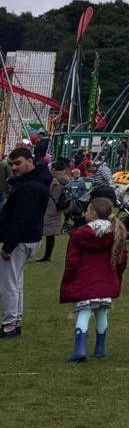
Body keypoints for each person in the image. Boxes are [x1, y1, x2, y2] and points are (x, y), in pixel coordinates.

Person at [59, 189, 126, 363]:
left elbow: (72, 261)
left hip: (84, 280)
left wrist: (69, 279)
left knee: (83, 314)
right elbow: (121, 259)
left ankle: (80, 349)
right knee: (102, 314)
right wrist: (116, 277)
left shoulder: (79, 235)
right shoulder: (116, 233)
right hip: (106, 281)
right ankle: (100, 348)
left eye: (88, 210)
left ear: (93, 213)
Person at [1, 144, 54, 339]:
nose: (14, 167)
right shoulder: (34, 182)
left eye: (18, 163)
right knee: (16, 281)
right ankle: (15, 320)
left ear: (30, 161)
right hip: (29, 238)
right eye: (12, 164)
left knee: (8, 284)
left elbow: (21, 218)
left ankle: (9, 324)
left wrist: (8, 245)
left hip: (19, 239)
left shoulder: (30, 187)